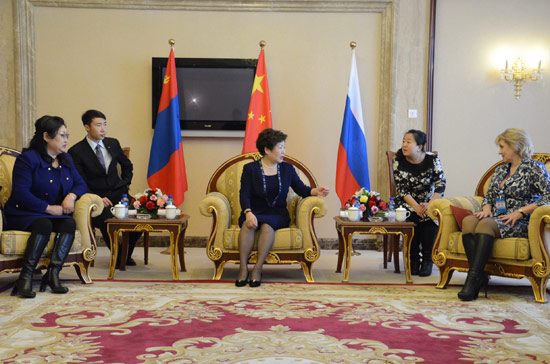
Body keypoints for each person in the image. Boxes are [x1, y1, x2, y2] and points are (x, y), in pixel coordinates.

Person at [458, 128, 550, 301]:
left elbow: (548, 196)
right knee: (469, 221)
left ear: (516, 146)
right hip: (498, 216)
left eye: (502, 147)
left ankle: (472, 282)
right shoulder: (501, 170)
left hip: (522, 220)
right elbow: (489, 197)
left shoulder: (534, 168)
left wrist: (521, 212)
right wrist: (486, 208)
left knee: (485, 225)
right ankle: (480, 277)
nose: (499, 152)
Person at [5, 116, 87, 298]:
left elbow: (81, 184)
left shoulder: (65, 159)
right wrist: (48, 208)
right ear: (46, 136)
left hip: (55, 213)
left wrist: (71, 197)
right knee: (44, 224)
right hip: (24, 212)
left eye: (67, 135)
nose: (66, 140)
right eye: (62, 136)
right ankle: (25, 278)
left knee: (69, 224)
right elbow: (21, 193)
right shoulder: (28, 159)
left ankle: (52, 274)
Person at [236, 129, 330, 287]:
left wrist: (316, 191)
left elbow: (302, 189)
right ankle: (243, 269)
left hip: (277, 214)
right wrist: (248, 212)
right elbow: (244, 194)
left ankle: (257, 269)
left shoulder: (287, 169)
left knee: (267, 227)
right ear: (267, 150)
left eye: (284, 147)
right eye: (280, 147)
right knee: (248, 225)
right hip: (255, 211)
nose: (283, 151)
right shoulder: (250, 169)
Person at [68, 109, 141, 268]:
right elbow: (79, 180)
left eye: (105, 125)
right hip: (97, 197)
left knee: (140, 219)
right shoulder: (76, 151)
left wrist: (125, 183)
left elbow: (127, 166)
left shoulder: (113, 143)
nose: (103, 129)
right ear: (87, 127)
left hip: (119, 193)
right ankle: (119, 255)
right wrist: (96, 198)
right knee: (108, 221)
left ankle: (123, 254)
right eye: (98, 125)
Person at [393, 129, 446, 277]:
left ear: (419, 146)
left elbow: (441, 184)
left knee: (430, 217)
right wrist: (416, 206)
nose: (404, 144)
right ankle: (413, 259)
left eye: (408, 142)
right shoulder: (398, 160)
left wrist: (429, 204)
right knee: (410, 216)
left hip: (428, 202)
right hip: (407, 202)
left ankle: (427, 260)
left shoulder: (432, 159)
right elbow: (401, 189)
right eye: (403, 141)